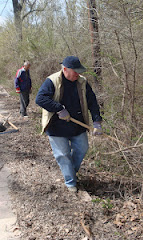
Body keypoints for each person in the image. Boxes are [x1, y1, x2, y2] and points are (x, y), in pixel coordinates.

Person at [35, 56, 103, 192]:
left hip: (77, 125)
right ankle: (71, 182)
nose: (78, 74)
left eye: (79, 71)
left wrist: (96, 121)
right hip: (56, 127)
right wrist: (59, 108)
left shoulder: (82, 82)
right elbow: (40, 99)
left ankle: (70, 172)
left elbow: (92, 102)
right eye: (75, 71)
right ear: (65, 69)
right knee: (63, 154)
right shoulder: (52, 81)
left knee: (82, 148)